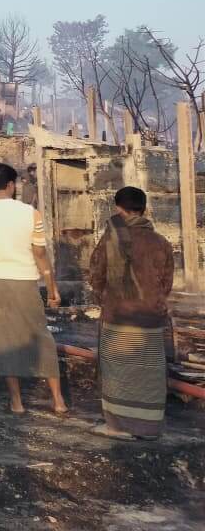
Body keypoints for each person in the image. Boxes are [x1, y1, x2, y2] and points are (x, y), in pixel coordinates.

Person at [0, 163, 66, 416]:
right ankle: (58, 400)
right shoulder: (30, 213)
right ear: (11, 185)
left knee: (4, 340)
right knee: (41, 335)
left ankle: (17, 402)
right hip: (26, 281)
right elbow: (40, 254)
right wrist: (51, 288)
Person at [89, 186, 174, 440]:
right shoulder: (161, 242)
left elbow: (96, 276)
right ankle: (149, 428)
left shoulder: (110, 239)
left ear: (118, 208)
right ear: (144, 209)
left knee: (118, 372)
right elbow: (166, 284)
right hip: (151, 320)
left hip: (118, 318)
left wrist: (107, 300)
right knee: (149, 375)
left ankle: (118, 427)